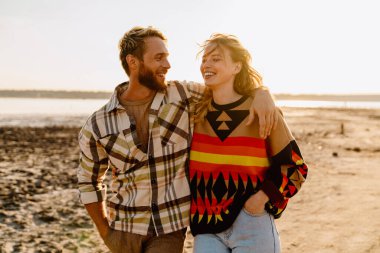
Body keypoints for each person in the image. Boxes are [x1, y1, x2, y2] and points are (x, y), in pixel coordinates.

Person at [77, 26, 277, 253]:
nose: (168, 65)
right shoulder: (98, 124)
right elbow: (87, 181)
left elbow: (227, 87)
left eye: (167, 57)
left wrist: (262, 92)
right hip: (122, 231)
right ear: (133, 62)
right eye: (158, 58)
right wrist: (106, 233)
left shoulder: (184, 96)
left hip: (169, 230)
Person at [189, 34, 308, 252]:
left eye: (216, 58)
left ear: (237, 66)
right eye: (204, 59)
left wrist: (261, 199)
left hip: (252, 222)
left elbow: (295, 168)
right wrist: (262, 91)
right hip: (205, 227)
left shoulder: (263, 112)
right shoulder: (193, 114)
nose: (206, 64)